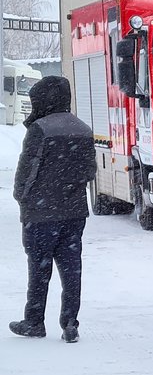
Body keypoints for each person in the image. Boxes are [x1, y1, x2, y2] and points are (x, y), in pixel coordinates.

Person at [9, 76, 96, 342]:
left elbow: (27, 170)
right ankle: (70, 322)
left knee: (39, 268)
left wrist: (22, 196)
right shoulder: (82, 128)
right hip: (74, 212)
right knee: (72, 269)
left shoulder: (40, 129)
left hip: (41, 213)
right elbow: (90, 171)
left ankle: (34, 322)